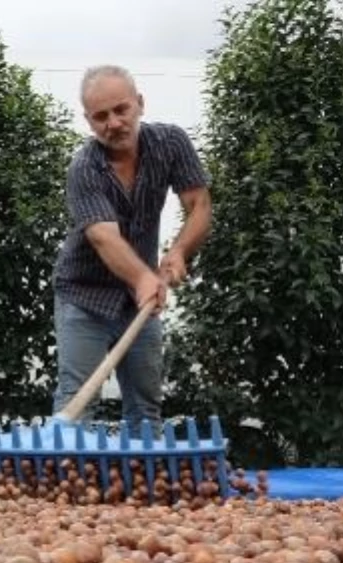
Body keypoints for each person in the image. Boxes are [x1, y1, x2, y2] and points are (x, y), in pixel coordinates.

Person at [51, 64, 212, 435]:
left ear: (139, 103)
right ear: (89, 122)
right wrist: (143, 276)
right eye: (101, 116)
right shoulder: (84, 168)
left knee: (145, 406)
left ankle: (145, 485)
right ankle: (66, 485)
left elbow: (199, 204)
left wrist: (179, 252)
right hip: (83, 296)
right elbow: (103, 237)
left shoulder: (170, 144)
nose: (113, 123)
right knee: (77, 404)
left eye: (121, 109)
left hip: (137, 299)